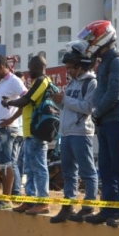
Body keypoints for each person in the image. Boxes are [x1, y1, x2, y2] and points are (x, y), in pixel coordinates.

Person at [77, 21, 119, 226]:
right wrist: (97, 114)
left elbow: (114, 93)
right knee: (106, 168)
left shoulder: (118, 61)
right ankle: (109, 209)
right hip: (105, 122)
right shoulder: (104, 62)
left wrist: (97, 113)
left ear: (102, 38)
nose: (89, 44)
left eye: (92, 40)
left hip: (117, 121)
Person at [50, 42, 99, 223]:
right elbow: (68, 105)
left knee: (87, 171)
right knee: (69, 171)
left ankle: (88, 206)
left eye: (70, 67)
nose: (68, 70)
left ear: (80, 66)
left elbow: (87, 108)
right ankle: (68, 206)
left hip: (81, 132)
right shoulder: (72, 84)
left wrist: (65, 99)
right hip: (67, 133)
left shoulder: (91, 83)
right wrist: (58, 101)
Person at [2, 55, 53, 215]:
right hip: (30, 131)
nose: (28, 70)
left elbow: (26, 100)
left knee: (39, 167)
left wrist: (9, 102)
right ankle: (30, 200)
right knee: (30, 168)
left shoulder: (42, 81)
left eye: (30, 67)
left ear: (38, 66)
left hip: (37, 131)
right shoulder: (38, 82)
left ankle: (43, 201)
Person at [0, 55, 27, 211]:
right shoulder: (0, 82)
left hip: (7, 129)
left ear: (2, 67)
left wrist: (11, 119)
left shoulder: (14, 81)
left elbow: (26, 99)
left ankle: (6, 199)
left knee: (6, 164)